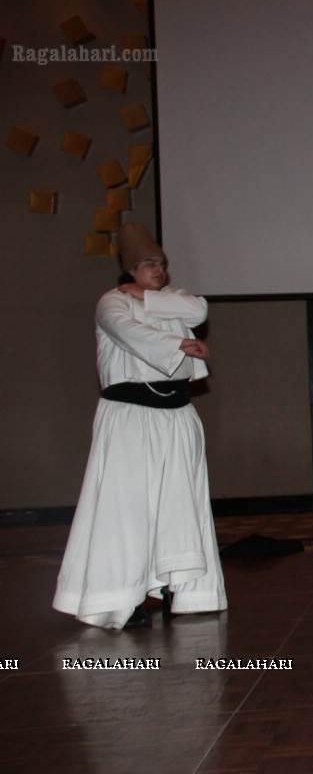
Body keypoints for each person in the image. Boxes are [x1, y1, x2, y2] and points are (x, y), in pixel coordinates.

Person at [53, 223, 227, 629]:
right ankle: (121, 598)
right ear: (131, 268)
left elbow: (199, 310)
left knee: (180, 504)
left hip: (177, 418)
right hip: (130, 419)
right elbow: (130, 333)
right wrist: (177, 343)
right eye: (150, 264)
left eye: (162, 264)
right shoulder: (110, 303)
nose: (159, 270)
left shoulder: (173, 300)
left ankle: (178, 588)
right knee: (127, 507)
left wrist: (148, 297)